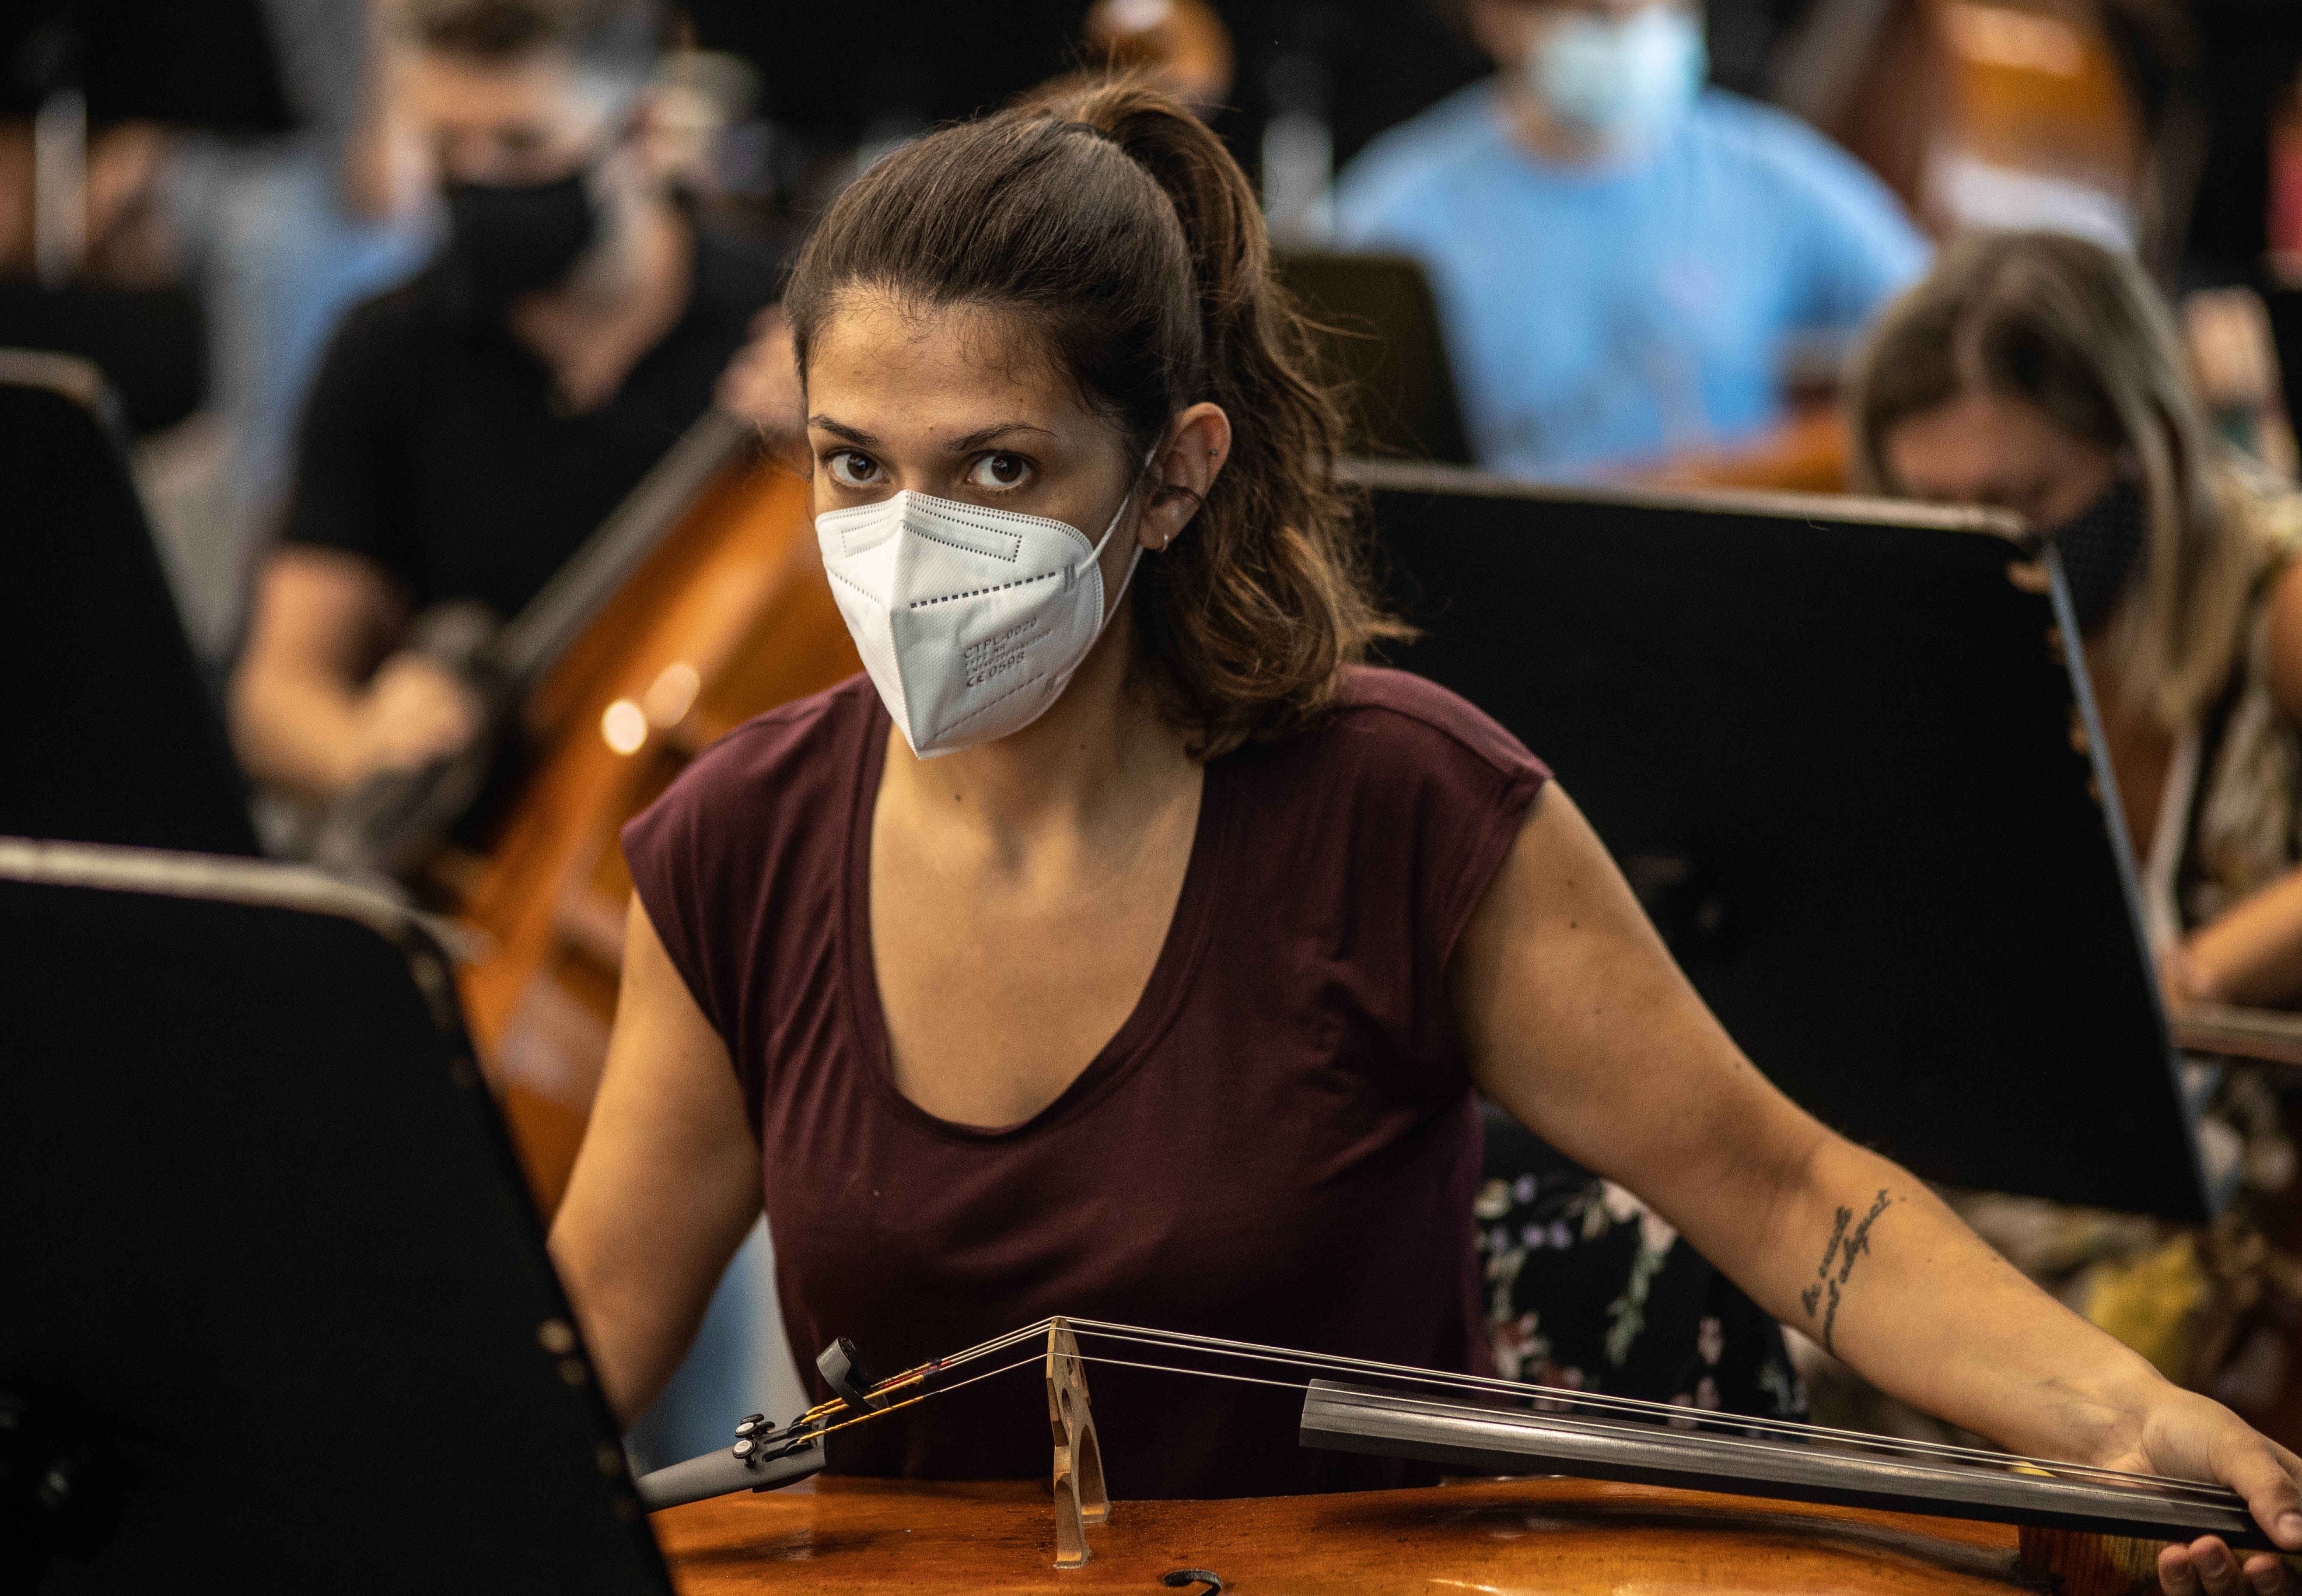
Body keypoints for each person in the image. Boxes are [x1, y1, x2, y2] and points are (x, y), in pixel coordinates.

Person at [549, 75, 2302, 1586]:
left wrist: (2137, 1413)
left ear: (1175, 472)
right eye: (856, 464)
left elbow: (1783, 1195)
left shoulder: (1403, 808)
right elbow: (577, 1355)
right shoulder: (736, 844)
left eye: (999, 469)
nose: (909, 537)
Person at [229, 0, 780, 802]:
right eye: (448, 148)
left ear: (643, 132)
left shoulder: (790, 331)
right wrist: (373, 755)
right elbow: (275, 697)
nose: (479, 179)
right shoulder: (389, 346)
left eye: (523, 146)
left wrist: (849, 449)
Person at [1855, 232, 2302, 1012]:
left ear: (2148, 446)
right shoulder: (1903, 619)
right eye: (1930, 504)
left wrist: (2193, 977)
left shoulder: (2282, 595)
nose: (1973, 537)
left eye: (2024, 499)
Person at [1332, 0, 1927, 478]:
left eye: (1657, 12)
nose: (1632, 29)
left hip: (1722, 558)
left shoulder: (1769, 177)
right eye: (1596, 16)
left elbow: (1940, 328)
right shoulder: (1395, 213)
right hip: (1502, 575)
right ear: (1500, 18)